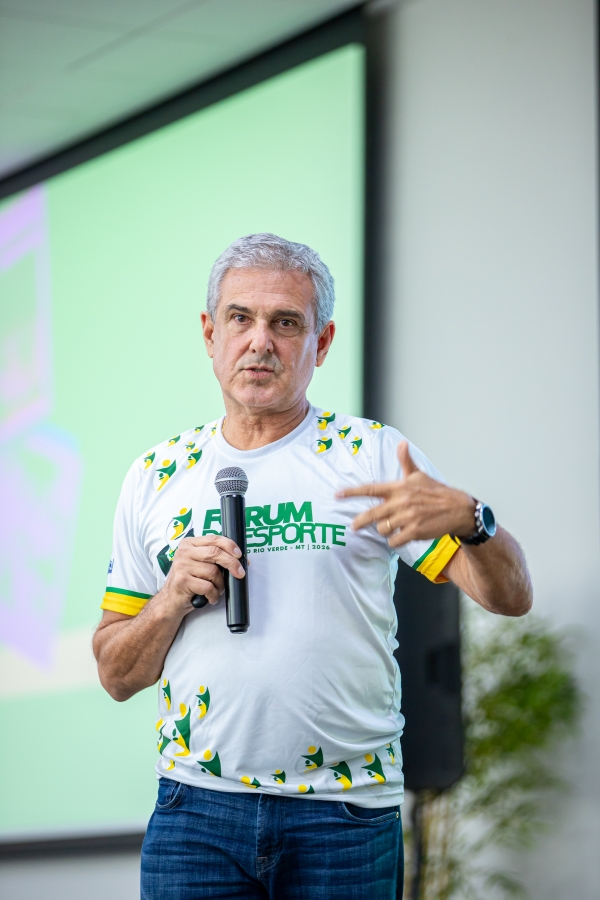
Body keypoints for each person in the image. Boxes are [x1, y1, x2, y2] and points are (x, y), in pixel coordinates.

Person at [93, 233, 532, 900]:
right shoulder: (156, 474)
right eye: (240, 318)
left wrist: (475, 521)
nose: (260, 341)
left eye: (285, 322)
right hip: (196, 815)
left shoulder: (371, 456)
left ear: (321, 343)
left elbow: (509, 597)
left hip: (344, 815)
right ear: (210, 333)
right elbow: (115, 674)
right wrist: (171, 598)